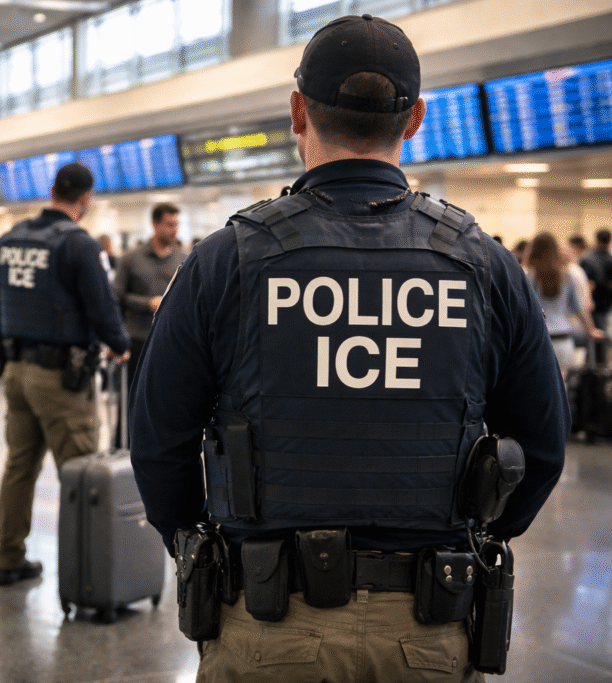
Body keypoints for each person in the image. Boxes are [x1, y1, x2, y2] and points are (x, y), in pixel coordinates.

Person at [129, 15, 568, 683]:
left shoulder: (228, 261)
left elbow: (158, 437)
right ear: (416, 118)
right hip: (429, 631)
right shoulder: (483, 263)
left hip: (267, 627)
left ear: (297, 111)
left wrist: (202, 547)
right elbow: (543, 442)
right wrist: (479, 538)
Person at [0, 162, 130, 586]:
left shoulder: (10, 238)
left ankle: (9, 559)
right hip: (62, 380)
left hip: (17, 372)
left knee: (19, 468)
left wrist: (4, 346)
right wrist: (121, 346)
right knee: (79, 472)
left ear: (51, 191)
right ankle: (85, 572)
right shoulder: (78, 245)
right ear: (85, 199)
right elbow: (103, 309)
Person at [113, 202, 187, 386]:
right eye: (170, 225)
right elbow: (117, 296)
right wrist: (147, 303)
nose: (174, 230)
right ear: (155, 224)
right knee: (133, 396)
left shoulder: (183, 258)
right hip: (139, 340)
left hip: (171, 341)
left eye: (177, 224)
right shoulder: (130, 259)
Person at [526, 233, 602, 373]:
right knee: (563, 386)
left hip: (538, 340)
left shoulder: (528, 276)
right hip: (563, 339)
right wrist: (590, 330)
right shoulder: (567, 276)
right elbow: (580, 309)